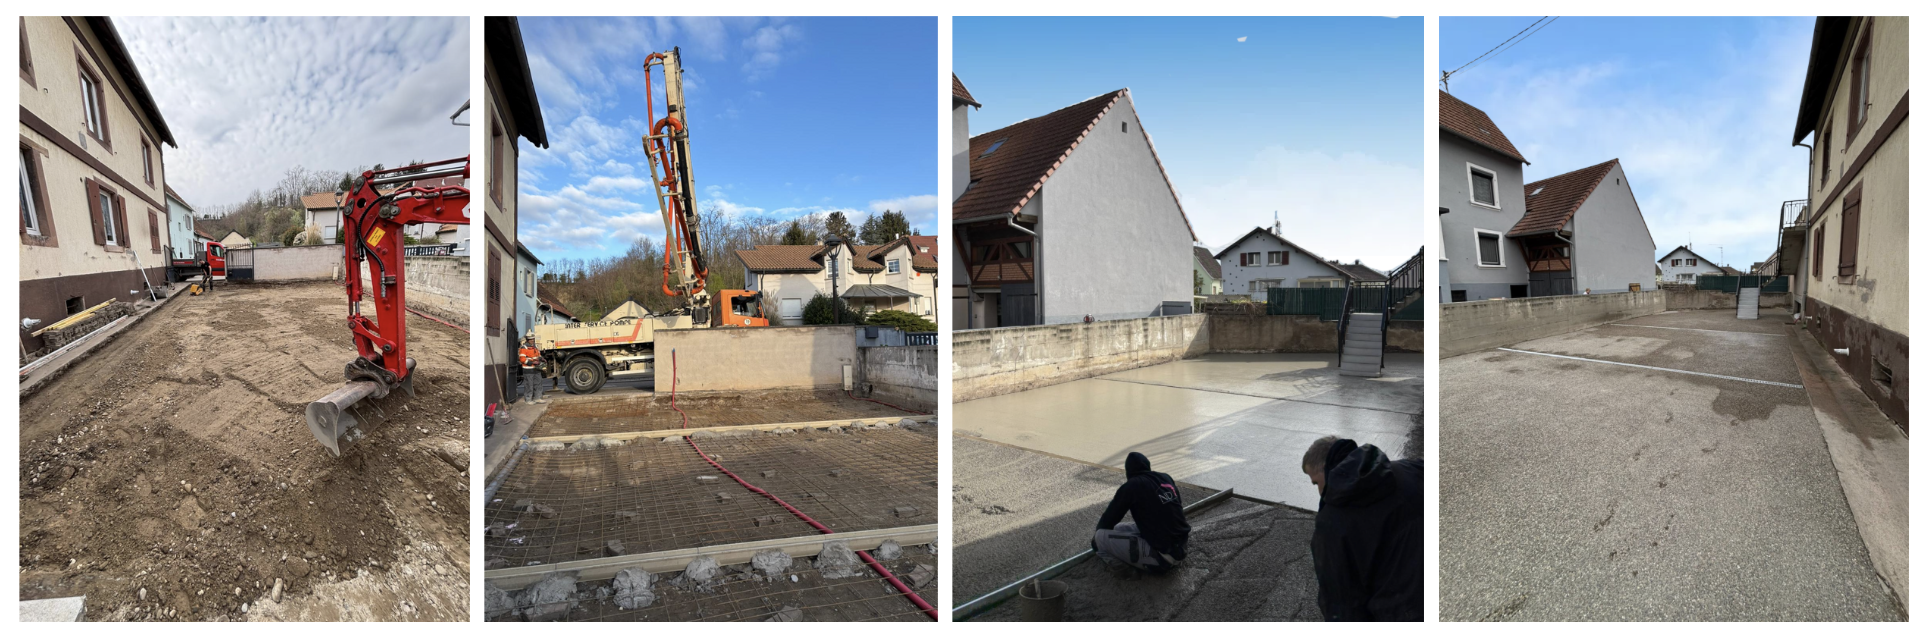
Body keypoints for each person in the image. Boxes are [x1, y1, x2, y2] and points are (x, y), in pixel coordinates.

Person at [1302, 436, 1422, 622]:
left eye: (1316, 482)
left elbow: (1340, 599)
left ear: (1327, 469)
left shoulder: (1331, 522)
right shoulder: (1408, 469)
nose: (1319, 492)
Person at [1090, 452, 1189, 574]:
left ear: (1128, 472)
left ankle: (1128, 573)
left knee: (1099, 537)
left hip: (1163, 559)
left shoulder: (1132, 485)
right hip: (1182, 547)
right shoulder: (1165, 478)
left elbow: (1108, 520)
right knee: (1118, 528)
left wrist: (1096, 542)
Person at [517, 334, 547, 404]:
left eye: (533, 339)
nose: (532, 340)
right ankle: (528, 399)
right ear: (527, 340)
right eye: (531, 339)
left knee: (538, 383)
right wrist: (532, 363)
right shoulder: (524, 347)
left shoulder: (535, 347)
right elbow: (522, 359)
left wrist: (541, 359)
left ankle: (538, 398)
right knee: (529, 384)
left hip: (536, 368)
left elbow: (538, 355)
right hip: (528, 369)